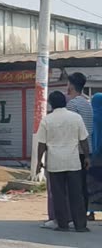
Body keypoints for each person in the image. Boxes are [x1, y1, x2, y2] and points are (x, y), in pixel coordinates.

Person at [36, 91, 90, 232]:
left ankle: (63, 225)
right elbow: (83, 140)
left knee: (59, 195)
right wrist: (87, 157)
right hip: (73, 162)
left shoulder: (47, 120)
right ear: (65, 102)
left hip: (55, 163)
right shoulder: (76, 118)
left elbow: (41, 144)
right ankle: (80, 225)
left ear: (51, 104)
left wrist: (38, 163)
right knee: (76, 195)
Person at [66, 72, 94, 221]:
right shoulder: (87, 103)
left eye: (67, 83)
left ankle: (74, 216)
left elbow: (70, 129)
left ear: (71, 85)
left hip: (75, 150)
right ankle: (81, 215)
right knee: (83, 185)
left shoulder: (72, 104)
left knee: (73, 186)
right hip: (87, 150)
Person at [89, 93, 102, 220]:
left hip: (97, 157)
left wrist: (94, 154)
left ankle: (92, 212)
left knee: (93, 184)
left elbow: (96, 138)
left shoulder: (95, 117)